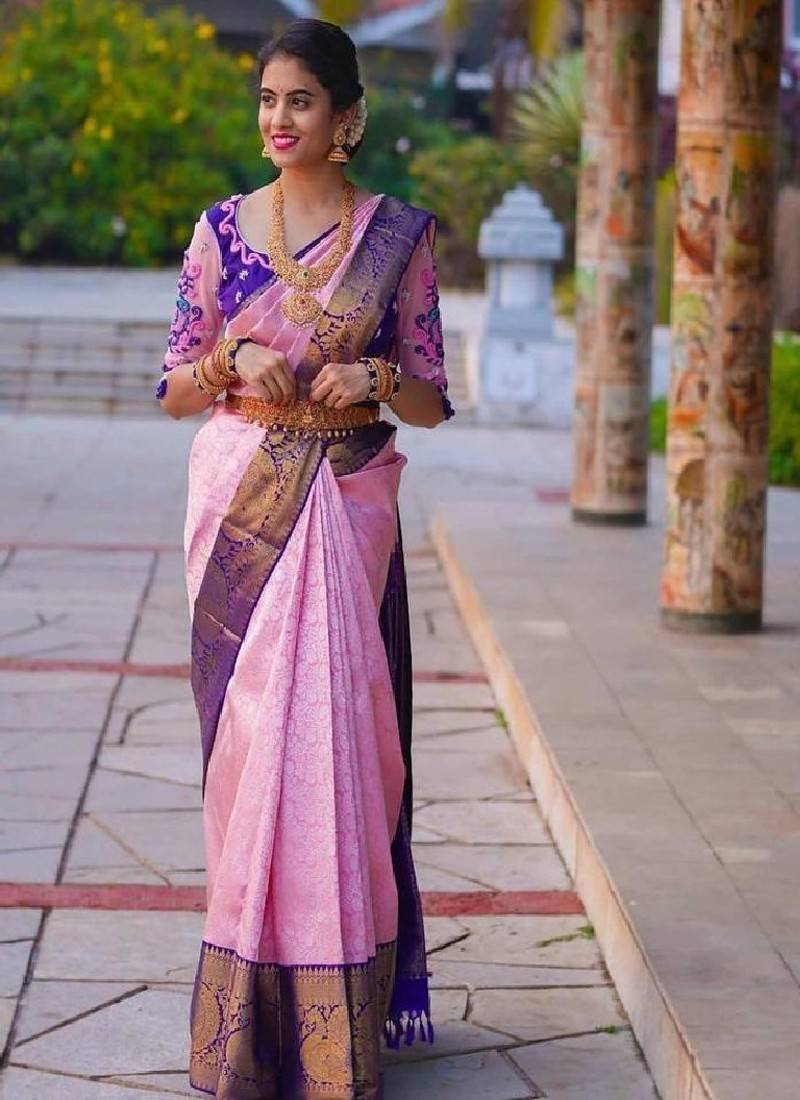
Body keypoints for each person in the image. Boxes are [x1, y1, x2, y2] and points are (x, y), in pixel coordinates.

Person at [156, 17, 454, 1100]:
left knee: (338, 744)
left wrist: (373, 381)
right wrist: (229, 354)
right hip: (243, 504)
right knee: (252, 750)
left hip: (344, 498)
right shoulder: (224, 230)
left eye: (299, 102)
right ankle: (249, 1020)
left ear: (345, 118)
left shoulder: (399, 239)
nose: (278, 120)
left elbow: (430, 397)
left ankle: (337, 1024)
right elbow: (174, 383)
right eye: (268, 101)